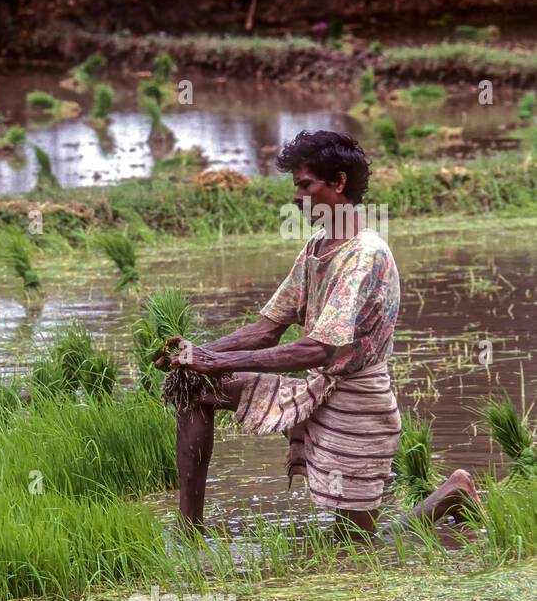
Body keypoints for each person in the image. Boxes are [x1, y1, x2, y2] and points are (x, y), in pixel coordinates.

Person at [153, 130, 481, 537]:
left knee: (358, 545)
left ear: (339, 183)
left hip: (359, 403)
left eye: (305, 185)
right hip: (318, 389)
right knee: (195, 389)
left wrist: (218, 360)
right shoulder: (316, 248)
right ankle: (189, 531)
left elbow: (320, 349)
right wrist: (195, 354)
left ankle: (453, 491)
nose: (296, 197)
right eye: (296, 186)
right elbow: (267, 330)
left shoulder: (366, 254)